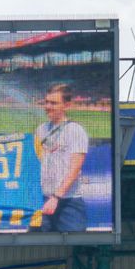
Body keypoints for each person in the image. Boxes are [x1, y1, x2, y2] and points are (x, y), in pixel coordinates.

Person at [34, 83, 88, 232]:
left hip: (68, 202)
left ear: (67, 105)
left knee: (75, 243)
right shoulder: (41, 129)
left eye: (53, 103)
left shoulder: (75, 130)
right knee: (35, 242)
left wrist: (56, 197)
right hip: (43, 199)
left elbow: (74, 170)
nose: (48, 106)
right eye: (46, 102)